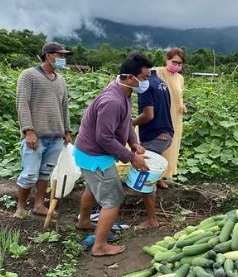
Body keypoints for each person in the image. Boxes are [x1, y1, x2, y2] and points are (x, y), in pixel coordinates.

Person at [73, 52, 151, 257]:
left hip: (88, 152)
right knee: (112, 199)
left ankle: (83, 221)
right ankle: (100, 246)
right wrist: (132, 157)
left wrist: (134, 143)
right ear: (129, 77)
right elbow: (104, 138)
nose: (146, 82)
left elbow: (125, 122)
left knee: (92, 187)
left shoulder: (123, 92)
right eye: (144, 78)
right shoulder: (112, 101)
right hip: (94, 155)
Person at [14, 42, 73, 218]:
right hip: (36, 136)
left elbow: (64, 107)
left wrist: (67, 131)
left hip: (55, 136)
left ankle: (39, 205)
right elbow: (22, 103)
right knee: (29, 174)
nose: (63, 59)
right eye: (60, 55)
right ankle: (20, 207)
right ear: (49, 56)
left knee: (45, 173)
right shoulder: (29, 76)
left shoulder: (60, 80)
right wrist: (28, 130)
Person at [132, 67, 174, 229]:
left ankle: (152, 220)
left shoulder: (145, 84)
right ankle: (159, 182)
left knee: (145, 177)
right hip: (166, 133)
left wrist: (132, 122)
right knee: (153, 168)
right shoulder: (161, 82)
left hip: (155, 136)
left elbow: (148, 115)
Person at [155, 48, 187, 188]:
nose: (177, 65)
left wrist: (182, 105)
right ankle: (154, 175)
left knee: (170, 145)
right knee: (157, 143)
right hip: (160, 114)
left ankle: (162, 175)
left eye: (180, 63)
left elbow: (179, 96)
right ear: (167, 60)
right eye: (174, 62)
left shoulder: (180, 78)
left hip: (175, 115)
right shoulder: (157, 72)